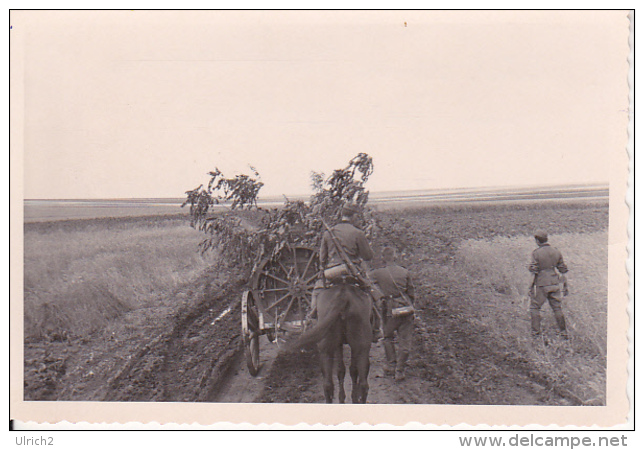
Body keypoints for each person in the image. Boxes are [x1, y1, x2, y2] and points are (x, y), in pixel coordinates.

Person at [308, 204, 376, 327]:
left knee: (317, 292)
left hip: (332, 273)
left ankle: (313, 316)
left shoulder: (329, 233)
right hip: (353, 273)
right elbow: (368, 256)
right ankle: (375, 327)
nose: (358, 219)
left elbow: (322, 258)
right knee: (372, 293)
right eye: (357, 216)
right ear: (353, 216)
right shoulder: (358, 233)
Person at [369, 246, 415, 381]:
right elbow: (411, 293)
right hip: (406, 310)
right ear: (395, 256)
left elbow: (366, 282)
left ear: (383, 258)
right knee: (405, 342)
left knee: (388, 337)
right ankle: (400, 371)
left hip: (390, 310)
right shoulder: (405, 272)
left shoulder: (378, 273)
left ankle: (391, 365)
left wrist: (379, 296)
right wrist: (409, 306)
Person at [528, 230, 570, 338]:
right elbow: (563, 270)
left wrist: (531, 286)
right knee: (557, 308)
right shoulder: (556, 251)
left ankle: (536, 334)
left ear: (537, 241)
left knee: (535, 307)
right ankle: (563, 332)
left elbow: (534, 271)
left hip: (542, 283)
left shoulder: (536, 253)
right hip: (554, 282)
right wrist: (565, 285)